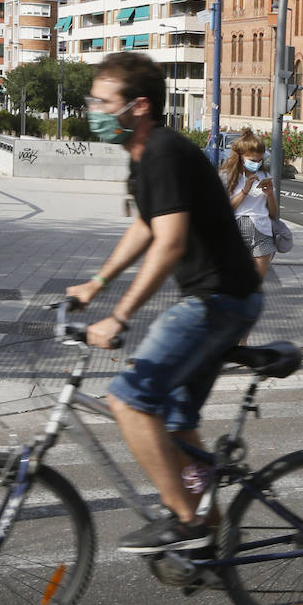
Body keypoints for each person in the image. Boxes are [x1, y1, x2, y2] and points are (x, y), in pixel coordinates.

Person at [65, 52, 262, 554]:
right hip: (217, 298)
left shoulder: (165, 152)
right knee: (176, 425)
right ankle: (215, 538)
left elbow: (169, 242)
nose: (93, 108)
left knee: (129, 399)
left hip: (219, 300)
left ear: (139, 106)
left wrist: (119, 315)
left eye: (103, 101)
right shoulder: (140, 157)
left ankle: (185, 521)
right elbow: (146, 225)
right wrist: (97, 282)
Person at [221, 127, 278, 283]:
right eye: (253, 160)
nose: (257, 164)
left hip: (262, 231)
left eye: (260, 160)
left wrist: (270, 195)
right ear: (240, 157)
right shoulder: (227, 176)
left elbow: (273, 213)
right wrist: (244, 191)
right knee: (233, 280)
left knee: (255, 283)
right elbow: (225, 210)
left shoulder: (264, 176)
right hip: (235, 231)